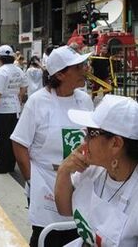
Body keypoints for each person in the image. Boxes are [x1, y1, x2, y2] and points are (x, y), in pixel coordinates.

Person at [11, 45, 94, 247]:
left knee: (78, 235)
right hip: (46, 184)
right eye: (78, 67)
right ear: (60, 74)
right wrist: (32, 180)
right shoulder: (38, 102)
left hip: (80, 182)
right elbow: (19, 143)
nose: (85, 69)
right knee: (48, 237)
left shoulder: (84, 100)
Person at [55, 95, 138, 247]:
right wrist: (64, 170)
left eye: (91, 133)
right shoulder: (93, 169)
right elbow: (65, 209)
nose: (84, 139)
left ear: (115, 144)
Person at [0, 45, 27, 174]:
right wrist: (19, 99)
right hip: (15, 108)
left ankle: (2, 165)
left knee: (1, 138)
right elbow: (23, 87)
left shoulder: (1, 72)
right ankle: (10, 164)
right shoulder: (18, 70)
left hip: (2, 109)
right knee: (11, 138)